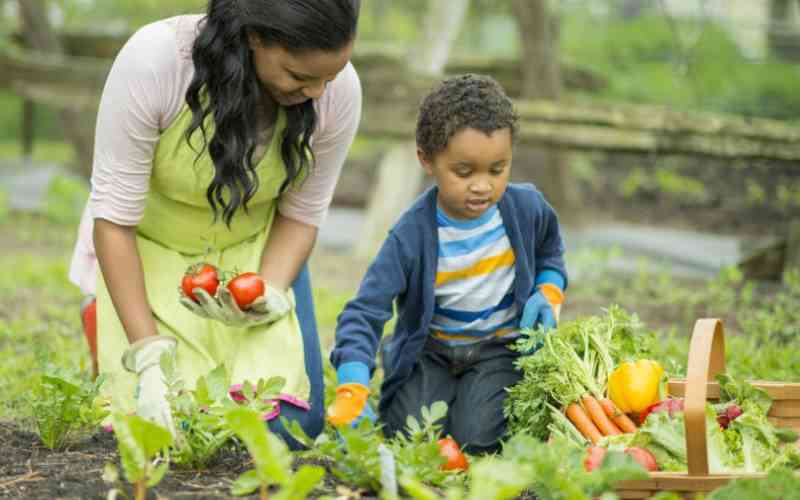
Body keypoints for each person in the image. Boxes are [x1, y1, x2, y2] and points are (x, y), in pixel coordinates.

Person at [68, 0, 362, 448]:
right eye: (300, 77)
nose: (319, 92)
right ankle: (105, 320)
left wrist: (269, 292)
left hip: (254, 254)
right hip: (148, 250)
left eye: (330, 76)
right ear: (254, 36)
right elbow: (114, 222)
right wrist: (147, 359)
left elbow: (302, 214)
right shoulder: (156, 62)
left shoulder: (336, 94)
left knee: (284, 429)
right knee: (167, 428)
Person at [326, 74, 567, 453]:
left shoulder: (526, 208)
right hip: (432, 352)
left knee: (478, 439)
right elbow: (364, 311)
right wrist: (353, 384)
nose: (483, 186)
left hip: (496, 350)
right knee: (409, 438)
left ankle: (472, 405)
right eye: (464, 172)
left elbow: (550, 250)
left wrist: (548, 288)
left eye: (497, 169)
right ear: (427, 159)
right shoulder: (411, 235)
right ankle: (417, 379)